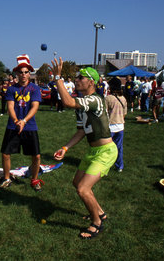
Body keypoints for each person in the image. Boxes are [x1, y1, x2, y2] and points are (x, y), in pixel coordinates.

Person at [50, 58, 118, 239]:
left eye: (81, 78)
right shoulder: (82, 104)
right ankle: (100, 212)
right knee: (77, 183)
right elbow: (81, 131)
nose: (77, 80)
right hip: (93, 151)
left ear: (91, 82)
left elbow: (68, 102)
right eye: (77, 77)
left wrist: (58, 78)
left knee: (83, 189)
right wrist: (65, 148)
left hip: (106, 152)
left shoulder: (94, 99)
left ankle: (97, 223)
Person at [0, 54, 43, 191]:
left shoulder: (35, 89)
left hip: (29, 126)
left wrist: (24, 121)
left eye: (26, 72)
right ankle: (6, 178)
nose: (23, 75)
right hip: (14, 125)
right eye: (21, 72)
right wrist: (17, 121)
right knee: (6, 153)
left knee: (36, 155)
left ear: (29, 74)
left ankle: (34, 180)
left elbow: (35, 106)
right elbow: (10, 107)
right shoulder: (12, 89)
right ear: (17, 74)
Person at [105, 77, 127, 172]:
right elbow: (124, 113)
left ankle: (106, 166)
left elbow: (105, 113)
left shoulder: (108, 98)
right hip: (120, 125)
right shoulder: (123, 98)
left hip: (110, 126)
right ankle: (119, 166)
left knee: (106, 148)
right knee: (119, 147)